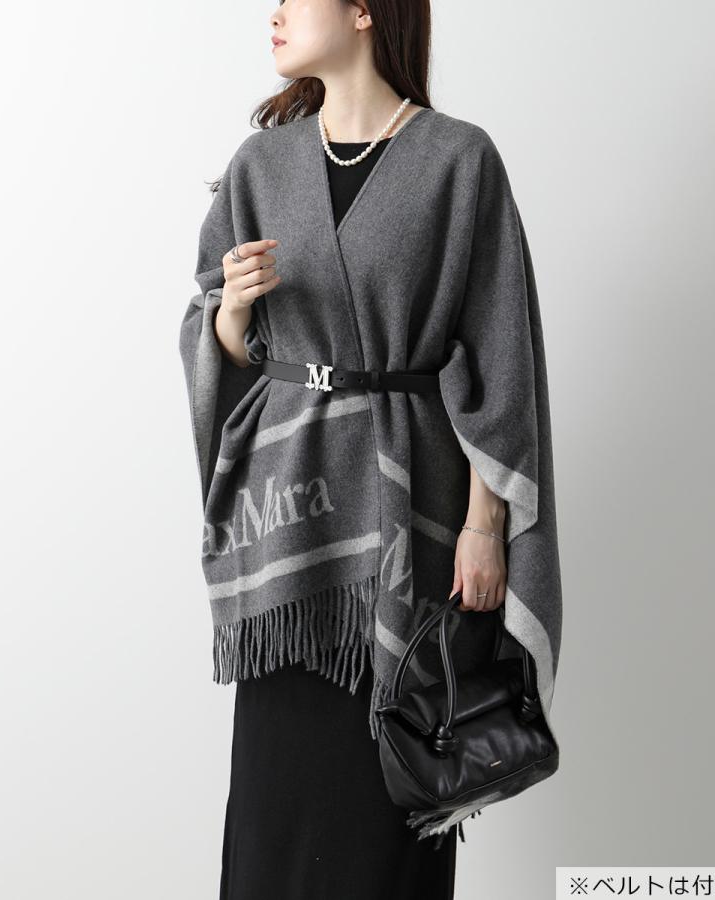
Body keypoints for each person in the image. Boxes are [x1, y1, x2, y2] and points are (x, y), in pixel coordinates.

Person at [179, 2, 563, 898]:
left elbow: (499, 355)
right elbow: (218, 338)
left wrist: (485, 525)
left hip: (412, 513)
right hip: (290, 532)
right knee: (277, 806)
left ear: (363, 11)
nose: (274, 12)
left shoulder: (459, 159)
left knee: (390, 791)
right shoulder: (261, 164)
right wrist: (233, 311)